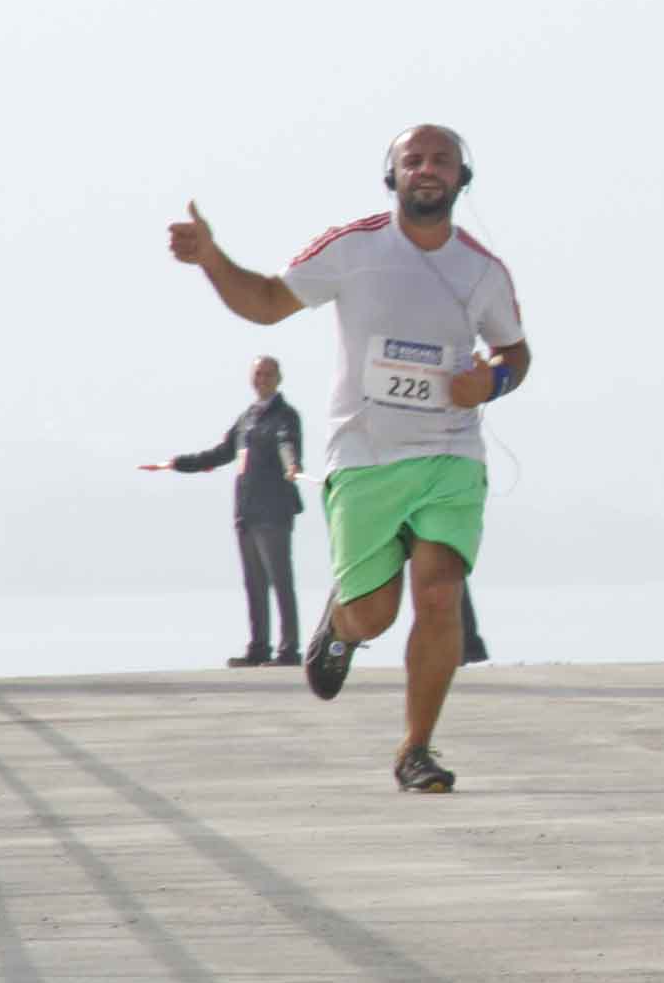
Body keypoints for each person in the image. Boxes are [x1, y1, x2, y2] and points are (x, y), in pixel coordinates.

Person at [163, 124, 530, 795]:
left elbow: (516, 352)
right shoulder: (353, 248)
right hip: (365, 458)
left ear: (462, 176)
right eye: (413, 160)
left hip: (451, 454)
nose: (427, 169)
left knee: (440, 594)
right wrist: (212, 258)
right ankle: (340, 623)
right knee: (375, 614)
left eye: (441, 160)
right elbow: (266, 302)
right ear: (392, 176)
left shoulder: (482, 270)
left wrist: (492, 382)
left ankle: (416, 749)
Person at [140, 354, 307, 668]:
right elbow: (220, 453)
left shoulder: (286, 416)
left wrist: (292, 465)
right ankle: (259, 648)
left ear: (279, 378)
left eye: (268, 374)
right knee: (254, 583)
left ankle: (289, 650)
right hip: (246, 512)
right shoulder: (246, 419)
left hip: (274, 512)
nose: (262, 379)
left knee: (280, 580)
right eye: (258, 374)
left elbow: (287, 444)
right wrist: (177, 463)